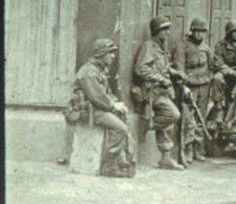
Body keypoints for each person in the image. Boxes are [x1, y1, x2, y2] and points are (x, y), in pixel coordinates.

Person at [74, 38, 134, 178]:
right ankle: (110, 166)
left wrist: (117, 104)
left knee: (124, 118)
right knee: (120, 128)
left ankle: (121, 160)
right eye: (110, 53)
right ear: (102, 54)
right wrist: (113, 105)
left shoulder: (99, 69)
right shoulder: (88, 72)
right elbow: (96, 96)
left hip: (99, 108)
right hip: (90, 111)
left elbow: (106, 93)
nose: (113, 56)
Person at [134, 16, 184, 171]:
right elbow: (140, 68)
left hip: (164, 91)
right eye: (165, 29)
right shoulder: (148, 46)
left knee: (167, 125)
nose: (168, 33)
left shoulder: (162, 47)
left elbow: (163, 67)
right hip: (153, 92)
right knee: (173, 115)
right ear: (157, 31)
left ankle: (165, 158)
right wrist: (160, 79)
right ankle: (144, 127)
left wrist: (176, 73)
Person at [172, 18, 212, 162]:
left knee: (201, 118)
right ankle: (187, 150)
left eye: (202, 32)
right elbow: (179, 67)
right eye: (197, 31)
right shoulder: (182, 46)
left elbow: (212, 67)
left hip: (204, 86)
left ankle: (198, 149)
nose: (200, 35)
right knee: (188, 119)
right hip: (189, 86)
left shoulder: (206, 49)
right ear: (192, 31)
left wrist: (209, 80)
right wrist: (184, 84)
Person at [209, 20, 236, 125]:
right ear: (229, 33)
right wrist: (234, 73)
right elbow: (219, 64)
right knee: (217, 78)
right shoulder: (220, 45)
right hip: (227, 74)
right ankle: (218, 109)